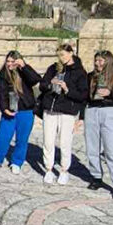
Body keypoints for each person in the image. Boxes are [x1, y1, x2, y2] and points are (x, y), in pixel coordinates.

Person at [38, 44, 88, 185]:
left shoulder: (80, 72)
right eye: (59, 55)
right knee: (48, 141)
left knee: (65, 142)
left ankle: (64, 170)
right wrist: (50, 83)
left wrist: (67, 89)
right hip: (50, 110)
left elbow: (82, 95)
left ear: (71, 53)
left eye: (63, 54)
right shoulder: (53, 68)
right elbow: (42, 85)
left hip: (67, 112)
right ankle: (48, 169)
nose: (61, 58)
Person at [84, 50, 113, 201]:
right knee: (92, 147)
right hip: (92, 110)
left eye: (101, 60)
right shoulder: (91, 76)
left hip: (110, 110)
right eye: (96, 60)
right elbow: (85, 97)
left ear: (108, 61)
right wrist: (81, 116)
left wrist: (110, 93)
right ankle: (96, 176)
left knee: (112, 149)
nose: (97, 63)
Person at [0, 51, 41, 174]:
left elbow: (36, 80)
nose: (9, 64)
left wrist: (24, 66)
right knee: (3, 137)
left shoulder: (24, 72)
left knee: (22, 139)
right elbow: (1, 94)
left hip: (26, 110)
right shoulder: (3, 74)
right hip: (10, 111)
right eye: (7, 61)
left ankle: (17, 162)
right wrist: (4, 108)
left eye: (12, 61)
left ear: (18, 61)